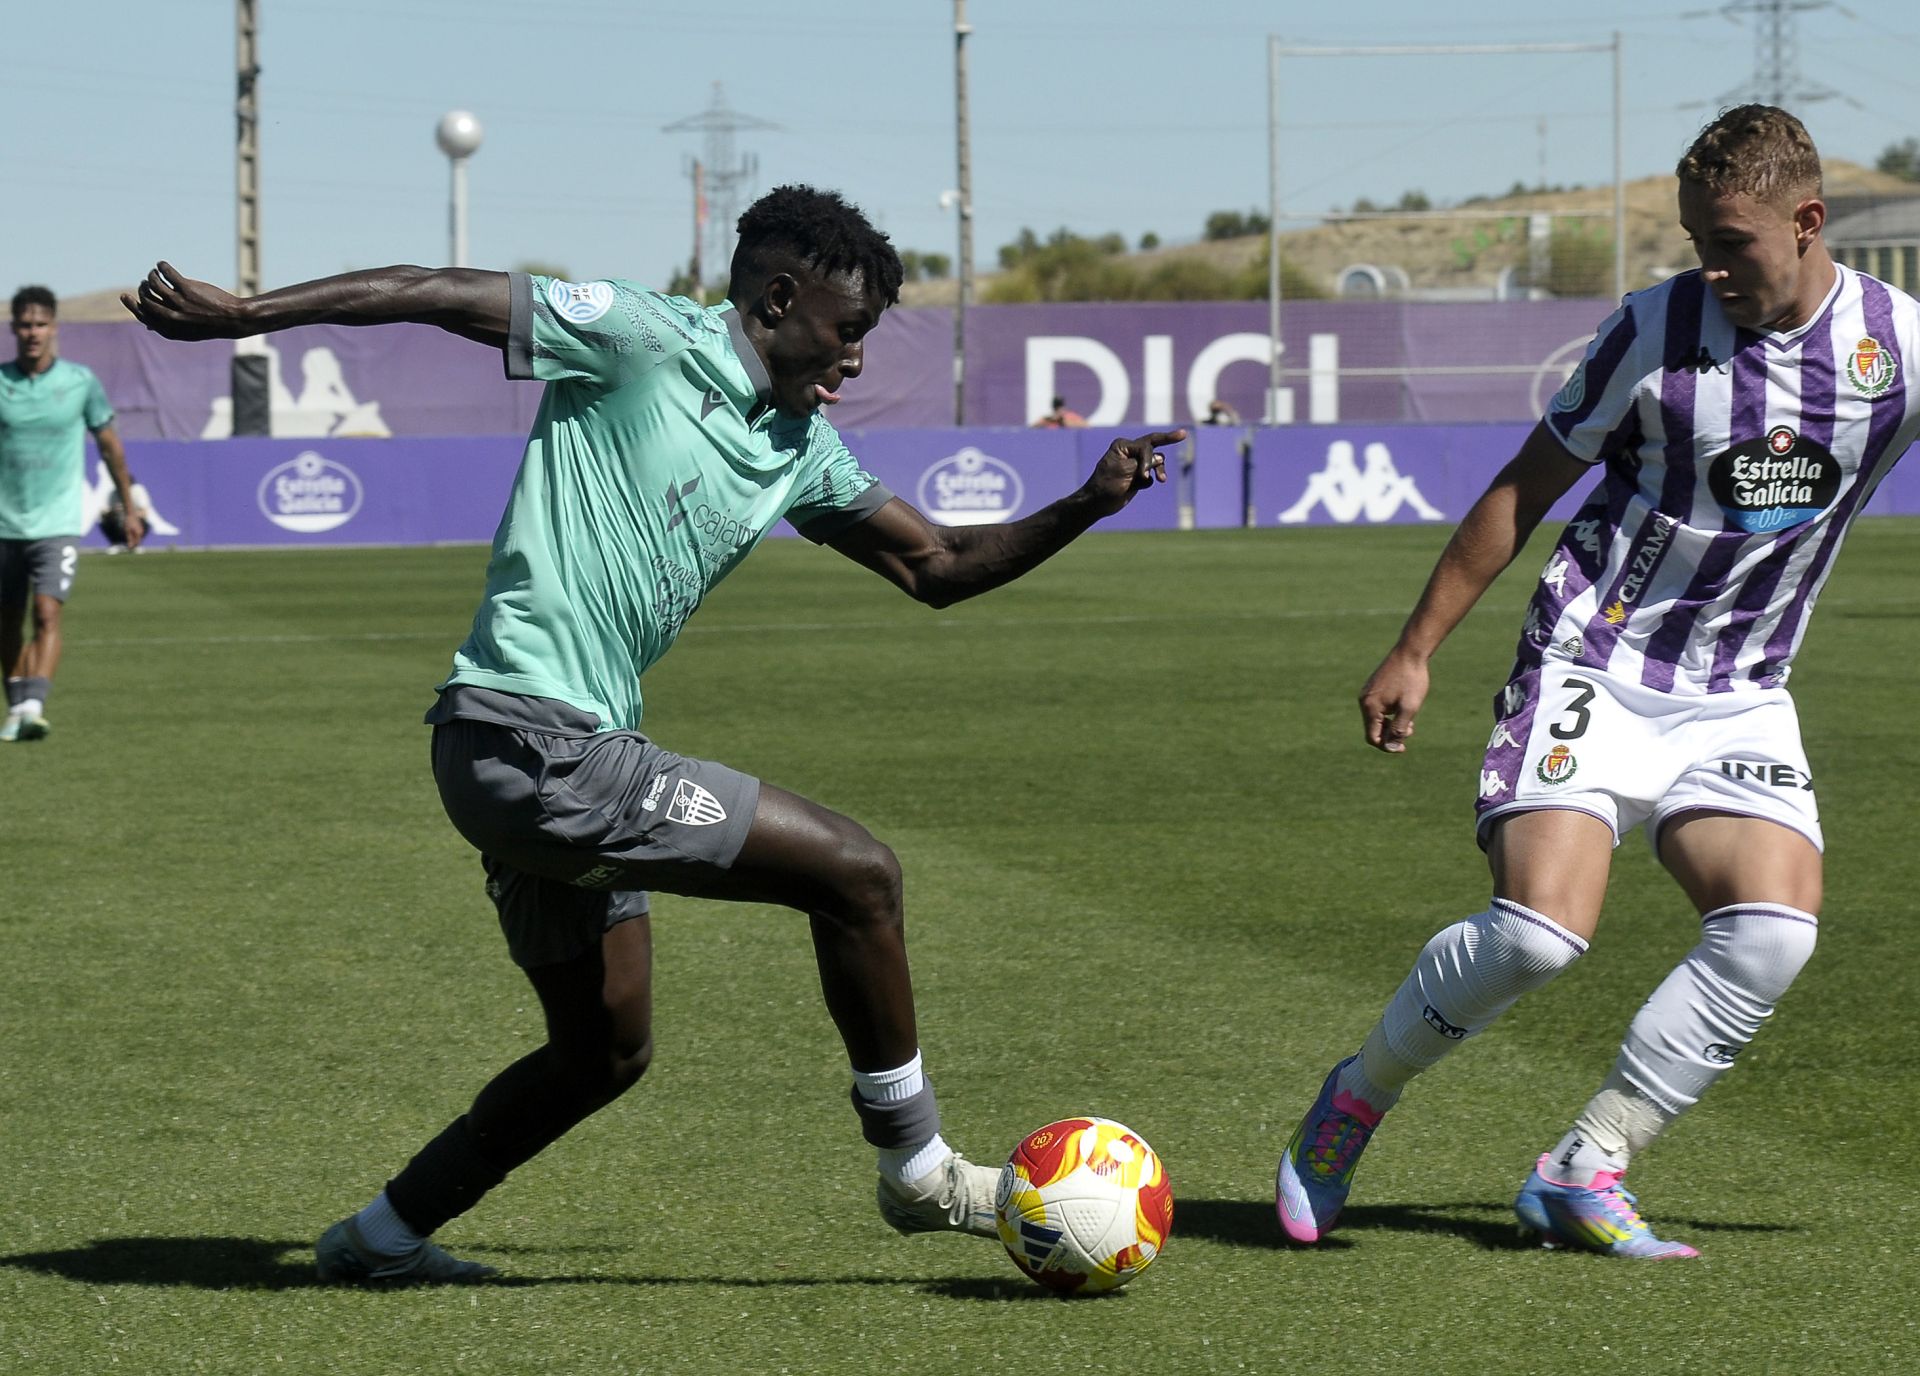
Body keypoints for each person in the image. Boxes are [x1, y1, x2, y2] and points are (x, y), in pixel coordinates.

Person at [124, 184, 1184, 1286]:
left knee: (605, 1048)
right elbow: (435, 290)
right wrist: (248, 315)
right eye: (848, 330)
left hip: (532, 761)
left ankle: (379, 1237)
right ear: (781, 298)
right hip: (535, 744)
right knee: (861, 874)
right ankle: (916, 1169)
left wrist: (1084, 502)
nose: (856, 360)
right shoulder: (638, 334)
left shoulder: (799, 448)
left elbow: (940, 567)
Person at [1274, 105, 1920, 1259]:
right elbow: (1523, 491)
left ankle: (1589, 1161)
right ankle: (1354, 1101)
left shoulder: (1896, 348)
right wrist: (1416, 647)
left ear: (1810, 222)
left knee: (1773, 932)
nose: (1709, 267)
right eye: (1693, 242)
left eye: (1732, 243)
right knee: (1536, 937)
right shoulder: (1653, 331)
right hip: (1595, 660)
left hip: (1740, 689)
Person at [1, 286, 143, 742]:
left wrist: (130, 503)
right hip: (4, 523)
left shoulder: (80, 382)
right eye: (24, 324)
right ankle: (18, 703)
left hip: (58, 523)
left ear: (54, 328)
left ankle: (33, 706)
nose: (32, 333)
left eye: (40, 324)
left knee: (46, 614)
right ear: (13, 329)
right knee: (6, 621)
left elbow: (110, 447)